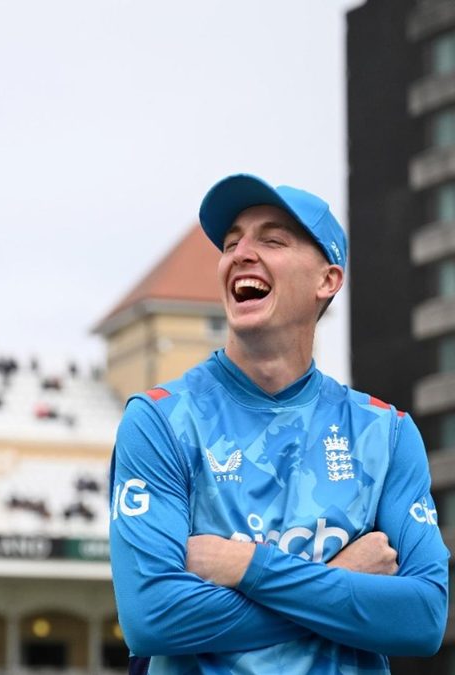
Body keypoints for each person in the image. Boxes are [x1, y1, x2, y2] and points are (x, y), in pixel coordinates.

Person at [109, 174, 449, 674]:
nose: (241, 253)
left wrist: (245, 567)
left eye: (272, 239)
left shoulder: (387, 432)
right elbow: (153, 619)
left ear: (327, 280)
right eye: (231, 243)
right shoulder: (160, 420)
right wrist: (338, 578)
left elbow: (422, 619)